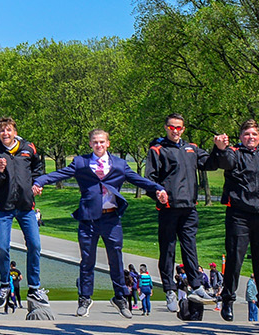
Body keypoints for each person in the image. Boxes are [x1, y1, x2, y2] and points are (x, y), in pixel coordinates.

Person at [33, 129, 168, 318]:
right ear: (90, 144)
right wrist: (39, 181)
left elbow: (140, 181)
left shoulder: (119, 165)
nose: (99, 145)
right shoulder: (81, 163)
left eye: (102, 142)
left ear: (108, 143)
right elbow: (59, 174)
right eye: (95, 142)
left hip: (111, 218)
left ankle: (120, 297)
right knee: (87, 261)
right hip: (88, 219)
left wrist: (159, 189)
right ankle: (85, 298)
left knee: (116, 258)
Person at [208, 120, 259, 321]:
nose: (250, 137)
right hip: (239, 215)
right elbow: (225, 162)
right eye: (246, 134)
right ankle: (228, 301)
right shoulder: (235, 152)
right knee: (234, 260)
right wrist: (220, 148)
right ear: (241, 136)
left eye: (254, 134)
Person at [144, 114, 211, 311]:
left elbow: (210, 163)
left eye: (179, 128)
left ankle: (197, 286)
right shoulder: (157, 150)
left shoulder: (192, 148)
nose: (176, 131)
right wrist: (158, 194)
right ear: (166, 128)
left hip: (189, 206)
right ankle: (169, 290)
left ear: (183, 129)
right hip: (168, 207)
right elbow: (149, 179)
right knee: (168, 248)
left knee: (190, 246)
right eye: (172, 127)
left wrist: (220, 149)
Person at [0, 117, 46, 308]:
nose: (5, 134)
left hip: (26, 206)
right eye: (2, 130)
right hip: (4, 206)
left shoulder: (28, 148)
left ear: (15, 131)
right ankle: (4, 285)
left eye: (8, 130)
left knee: (35, 245)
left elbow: (38, 168)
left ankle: (34, 287)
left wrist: (37, 183)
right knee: (2, 247)